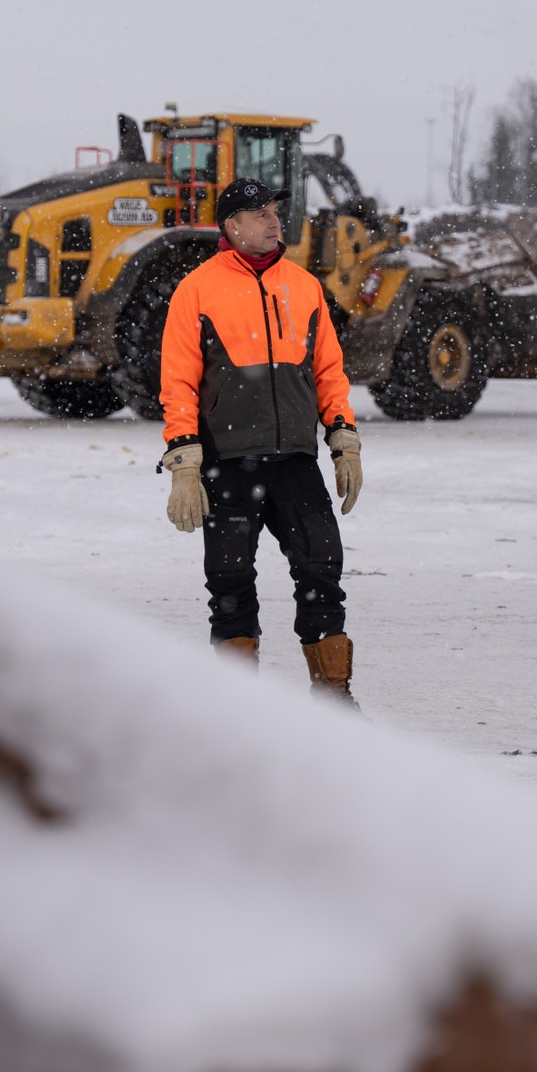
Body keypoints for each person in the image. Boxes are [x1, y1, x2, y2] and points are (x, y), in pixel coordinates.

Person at [156, 177, 364, 705]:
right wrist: (183, 457)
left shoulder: (304, 284)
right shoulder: (197, 288)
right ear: (232, 226)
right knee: (229, 585)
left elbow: (329, 370)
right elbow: (178, 378)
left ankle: (333, 699)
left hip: (295, 459)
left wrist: (343, 436)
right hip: (228, 461)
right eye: (261, 213)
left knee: (322, 571)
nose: (275, 221)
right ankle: (238, 709)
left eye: (275, 211)